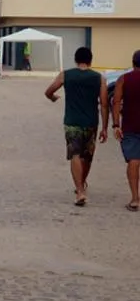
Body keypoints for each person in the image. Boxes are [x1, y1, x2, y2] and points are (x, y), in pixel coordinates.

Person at [44, 47, 109, 207]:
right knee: (87, 156)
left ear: (75, 59)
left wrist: (53, 98)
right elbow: (104, 103)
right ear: (90, 60)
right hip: (91, 122)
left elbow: (49, 91)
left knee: (75, 155)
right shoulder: (99, 78)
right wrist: (105, 127)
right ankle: (82, 184)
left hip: (72, 122)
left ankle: (80, 190)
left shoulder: (66, 74)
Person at [112, 50, 140, 212]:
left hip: (130, 125)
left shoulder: (124, 79)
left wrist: (116, 124)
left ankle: (135, 199)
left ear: (132, 62)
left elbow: (116, 102)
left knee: (134, 160)